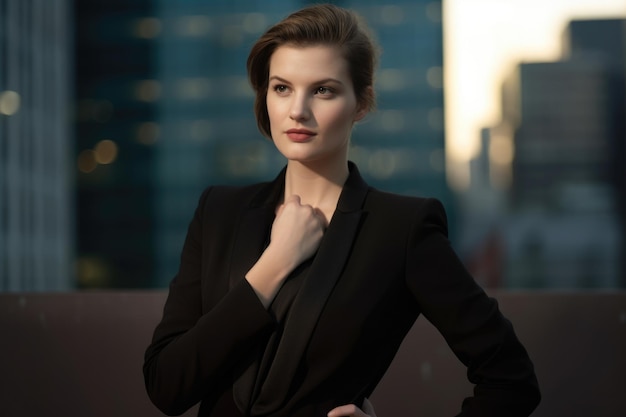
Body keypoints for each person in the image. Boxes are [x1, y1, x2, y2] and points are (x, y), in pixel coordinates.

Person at [143, 4, 540, 417]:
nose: (297, 110)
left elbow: (511, 380)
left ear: (361, 103)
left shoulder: (401, 229)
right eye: (281, 88)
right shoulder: (219, 211)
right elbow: (166, 385)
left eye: (323, 90)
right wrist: (274, 263)